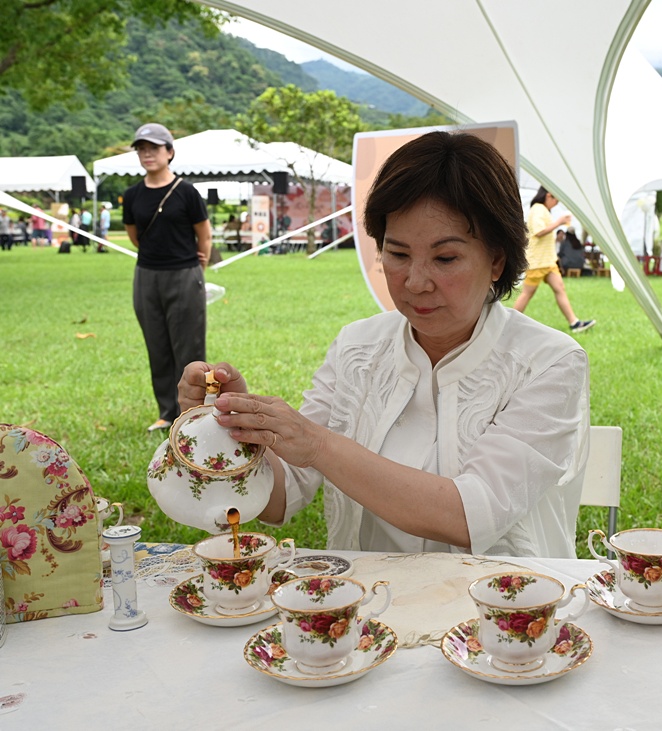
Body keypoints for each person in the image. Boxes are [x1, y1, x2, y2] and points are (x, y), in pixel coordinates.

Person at [175, 131, 590, 558]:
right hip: (369, 610)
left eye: (445, 259)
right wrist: (234, 429)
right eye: (397, 254)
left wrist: (316, 443)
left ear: (497, 260)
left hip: (504, 613)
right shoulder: (358, 346)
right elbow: (283, 495)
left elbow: (470, 516)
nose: (415, 282)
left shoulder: (548, 361)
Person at [123, 122, 212, 432]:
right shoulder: (132, 195)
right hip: (147, 276)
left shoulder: (187, 192)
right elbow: (135, 237)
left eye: (154, 148)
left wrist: (195, 264)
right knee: (157, 345)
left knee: (189, 347)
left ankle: (194, 413)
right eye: (141, 149)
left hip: (185, 275)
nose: (147, 154)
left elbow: (204, 233)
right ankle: (166, 412)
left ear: (169, 152)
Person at [512, 186, 595, 333]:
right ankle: (508, 324)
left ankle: (574, 323)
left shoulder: (543, 210)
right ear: (549, 195)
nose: (556, 204)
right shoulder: (538, 209)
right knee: (527, 293)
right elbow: (538, 232)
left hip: (548, 261)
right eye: (556, 200)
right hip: (538, 261)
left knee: (559, 289)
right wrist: (559, 222)